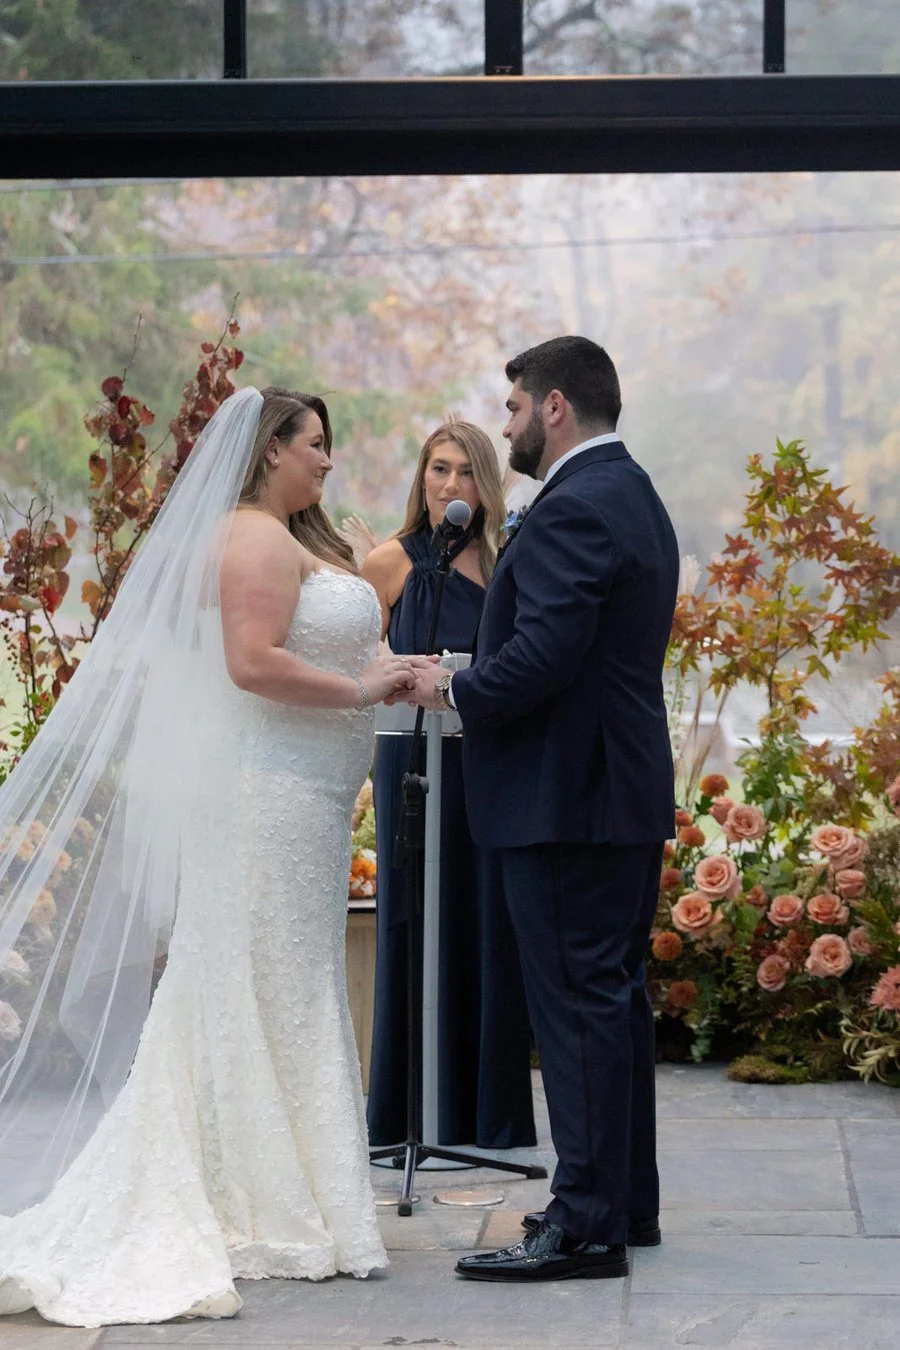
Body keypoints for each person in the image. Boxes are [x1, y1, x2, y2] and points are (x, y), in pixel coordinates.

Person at [0, 386, 425, 1327]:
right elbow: (252, 661)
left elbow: (328, 640)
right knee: (253, 982)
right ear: (269, 450)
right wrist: (364, 689)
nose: (326, 459)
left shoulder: (295, 537)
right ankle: (260, 1201)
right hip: (267, 795)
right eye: (313, 443)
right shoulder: (253, 538)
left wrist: (393, 671)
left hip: (307, 798)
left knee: (286, 984)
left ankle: (292, 1193)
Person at [407, 338, 679, 1282]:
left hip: (572, 799)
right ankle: (622, 1204)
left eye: (515, 407)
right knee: (608, 1000)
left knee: (576, 1006)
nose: (508, 423)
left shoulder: (577, 507)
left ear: (555, 405)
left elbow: (540, 659)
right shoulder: (628, 492)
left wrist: (449, 686)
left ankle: (585, 1223)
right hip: (610, 791)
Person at [363, 419, 535, 1149]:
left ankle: (483, 1114)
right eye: (438, 469)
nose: (450, 485)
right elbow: (360, 654)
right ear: (421, 479)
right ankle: (405, 1114)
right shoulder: (390, 563)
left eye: (465, 472)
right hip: (409, 753)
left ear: (485, 486)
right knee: (412, 915)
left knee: (483, 917)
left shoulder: (503, 565)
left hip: (482, 756)